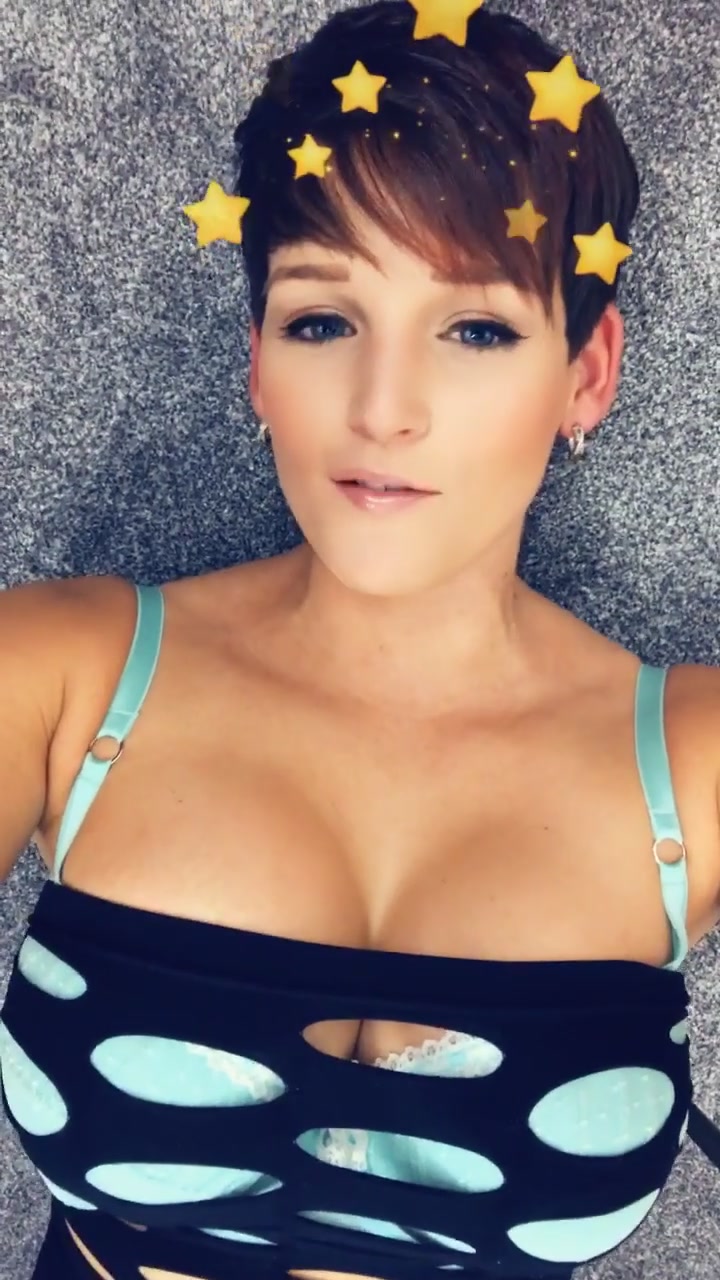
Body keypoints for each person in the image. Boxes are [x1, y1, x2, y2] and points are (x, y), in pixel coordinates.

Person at [1, 2, 719, 1278]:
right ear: (257, 362)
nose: (384, 410)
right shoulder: (60, 675)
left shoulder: (699, 761)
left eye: (477, 328)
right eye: (322, 320)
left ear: (587, 373)